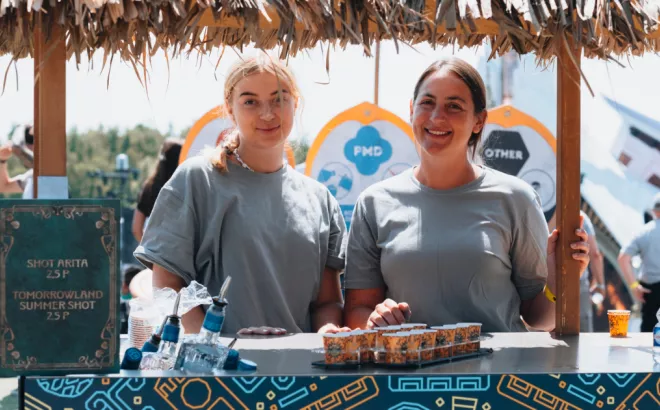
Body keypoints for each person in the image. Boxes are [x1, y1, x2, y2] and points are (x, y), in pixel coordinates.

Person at [343, 58, 590, 332]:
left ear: (479, 121)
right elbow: (357, 312)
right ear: (411, 110)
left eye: (454, 106)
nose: (437, 117)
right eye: (427, 103)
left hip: (498, 374)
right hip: (405, 372)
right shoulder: (373, 203)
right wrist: (376, 319)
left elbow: (539, 319)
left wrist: (559, 283)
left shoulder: (515, 199)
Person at [134, 54, 349, 335]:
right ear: (229, 108)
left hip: (300, 374)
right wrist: (213, 349)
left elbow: (327, 302)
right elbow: (167, 286)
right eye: (250, 101)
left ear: (295, 103)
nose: (268, 113)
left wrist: (327, 333)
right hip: (214, 375)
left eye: (279, 98)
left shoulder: (321, 200)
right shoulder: (196, 181)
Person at [618, 193, 660, 332]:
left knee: (650, 334)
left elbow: (623, 258)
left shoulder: (644, 232)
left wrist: (635, 285)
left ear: (654, 211)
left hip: (651, 292)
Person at [132, 139, 183, 243]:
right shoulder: (185, 188)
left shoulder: (149, 187)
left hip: (153, 253)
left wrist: (147, 251)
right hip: (179, 253)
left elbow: (136, 229)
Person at [579, 210, 605, 332]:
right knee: (582, 332)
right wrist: (600, 284)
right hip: (578, 284)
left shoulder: (538, 211)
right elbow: (595, 254)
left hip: (546, 283)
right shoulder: (581, 217)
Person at [0, 124, 34, 199]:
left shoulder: (56, 168)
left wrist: (19, 151)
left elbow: (42, 168)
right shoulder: (31, 176)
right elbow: (3, 187)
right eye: (29, 139)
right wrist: (2, 160)